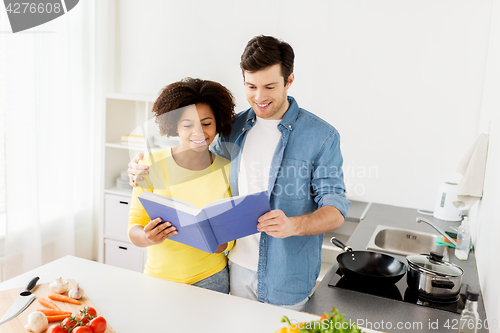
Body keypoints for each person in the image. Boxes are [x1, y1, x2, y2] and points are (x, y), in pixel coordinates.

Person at [128, 36, 350, 310]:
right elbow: (196, 154)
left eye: (270, 86)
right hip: (233, 268)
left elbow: (336, 209)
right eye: (251, 86)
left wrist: (293, 225)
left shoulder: (321, 136)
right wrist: (141, 166)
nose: (259, 97)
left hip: (286, 275)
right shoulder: (233, 127)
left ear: (289, 80)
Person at [128, 78, 237, 294]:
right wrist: (148, 237)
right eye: (188, 125)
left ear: (218, 123)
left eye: (206, 123)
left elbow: (232, 234)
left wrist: (220, 244)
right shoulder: (149, 165)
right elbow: (134, 227)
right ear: (175, 126)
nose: (198, 132)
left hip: (211, 278)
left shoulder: (228, 169)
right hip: (159, 278)